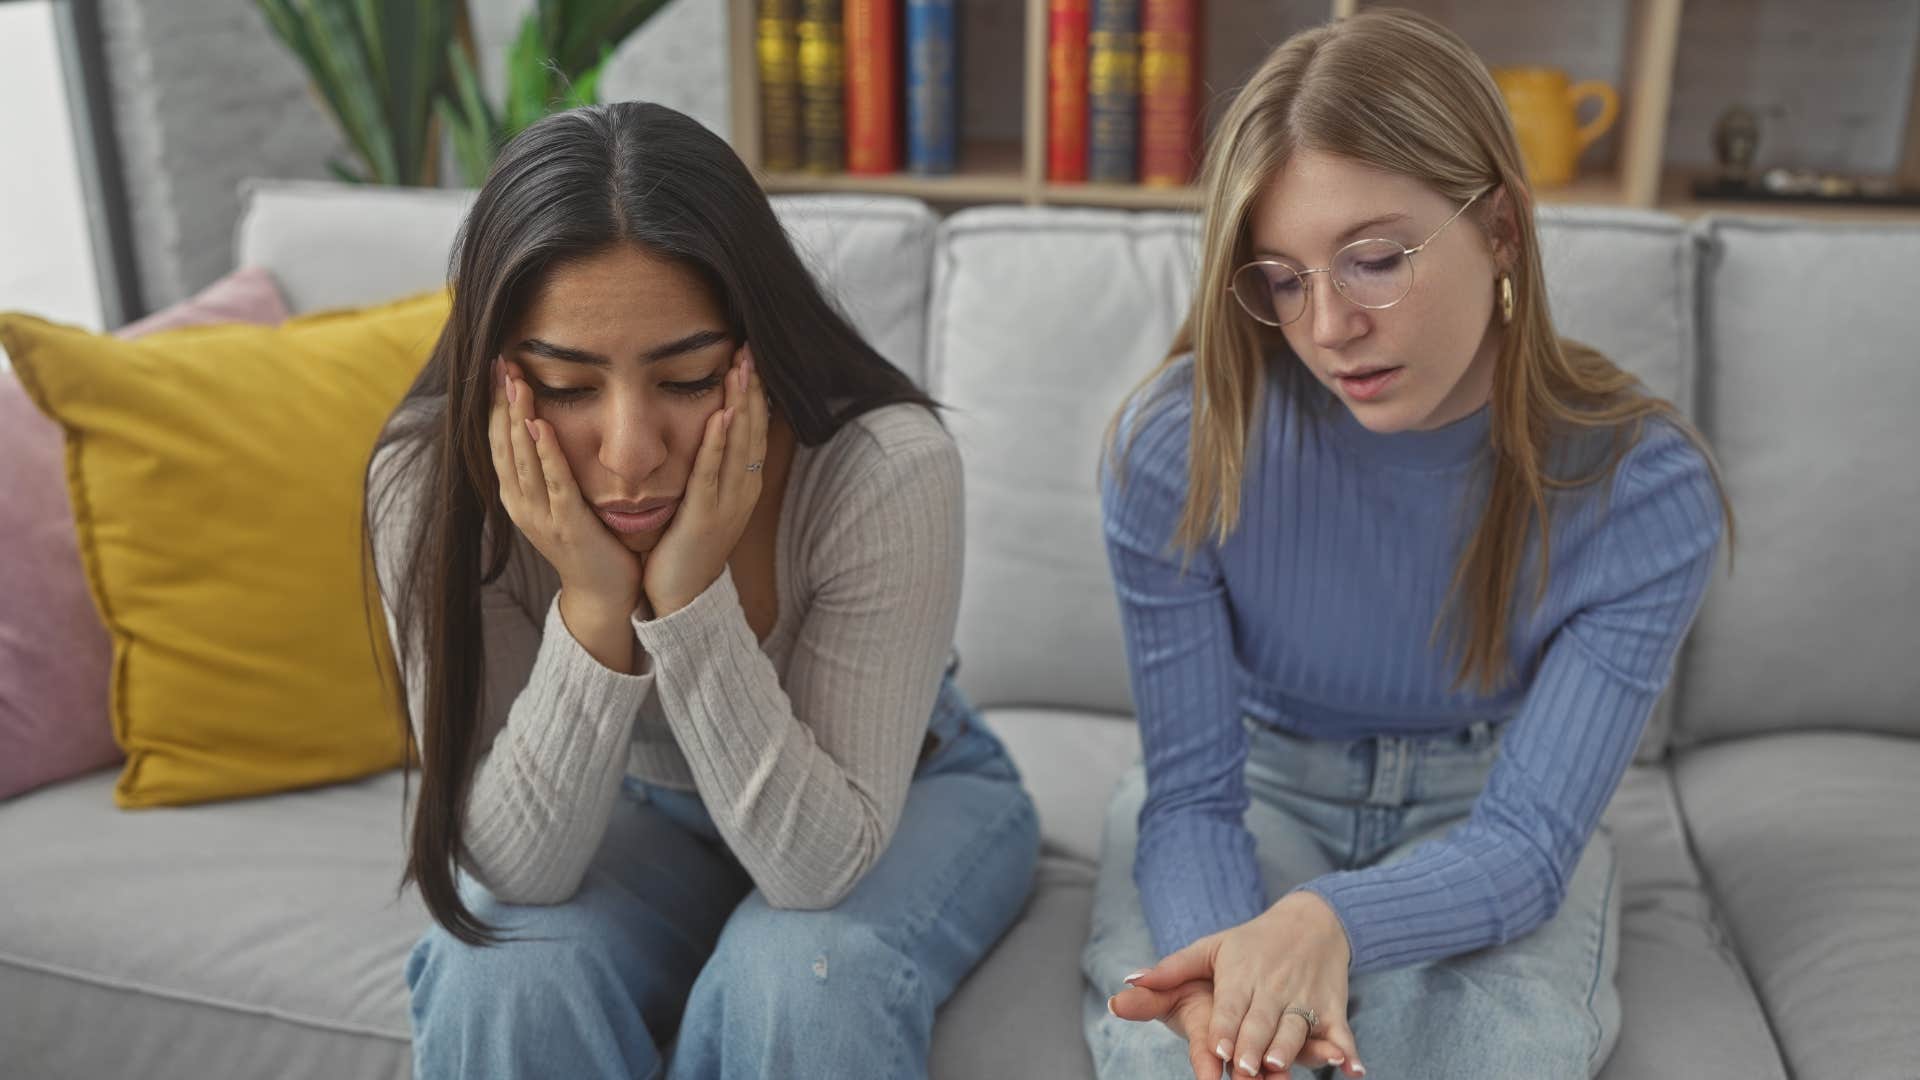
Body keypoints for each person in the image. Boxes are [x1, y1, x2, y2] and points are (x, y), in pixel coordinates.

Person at [1083, 10, 1734, 1080]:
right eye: (1284, 278)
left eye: (1374, 259)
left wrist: (1322, 922)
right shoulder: (1179, 449)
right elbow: (1195, 800)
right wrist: (1224, 976)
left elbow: (1525, 844)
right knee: (1189, 1061)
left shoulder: (1645, 493)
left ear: (1503, 232)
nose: (1329, 325)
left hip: (1483, 811)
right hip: (1260, 787)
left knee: (1489, 1055)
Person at [364, 101, 1039, 1080]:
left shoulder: (884, 468)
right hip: (642, 810)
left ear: (754, 349)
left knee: (801, 972)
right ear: (498, 372)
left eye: (686, 379)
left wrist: (687, 601)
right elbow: (514, 872)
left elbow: (815, 875)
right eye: (567, 384)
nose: (632, 454)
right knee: (499, 975)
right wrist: (595, 611)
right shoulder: (427, 487)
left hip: (907, 790)